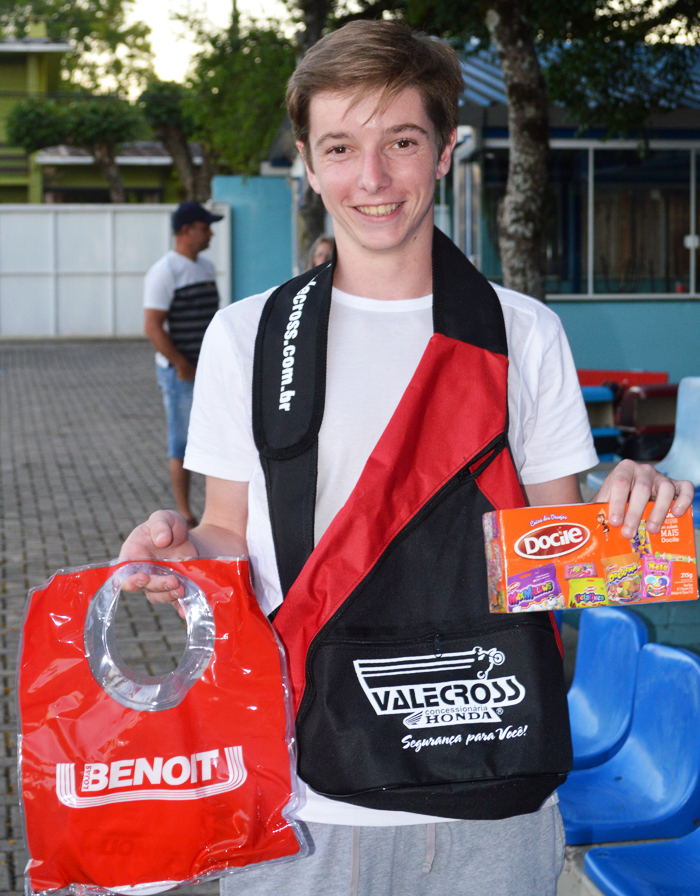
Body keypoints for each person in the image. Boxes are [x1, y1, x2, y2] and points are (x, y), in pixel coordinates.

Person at [121, 21, 693, 896]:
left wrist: (637, 504)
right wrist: (183, 555)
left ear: (444, 151)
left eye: (401, 142)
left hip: (491, 795)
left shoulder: (521, 332)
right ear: (311, 165)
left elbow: (561, 560)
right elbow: (227, 531)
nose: (373, 178)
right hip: (299, 801)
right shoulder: (250, 336)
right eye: (342, 147)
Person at [143, 200, 223, 527]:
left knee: (212, 438)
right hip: (182, 374)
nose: (211, 234)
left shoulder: (204, 267)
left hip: (207, 368)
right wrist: (181, 365)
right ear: (186, 231)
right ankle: (186, 512)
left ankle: (216, 510)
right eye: (205, 228)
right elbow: (151, 325)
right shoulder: (165, 272)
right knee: (182, 443)